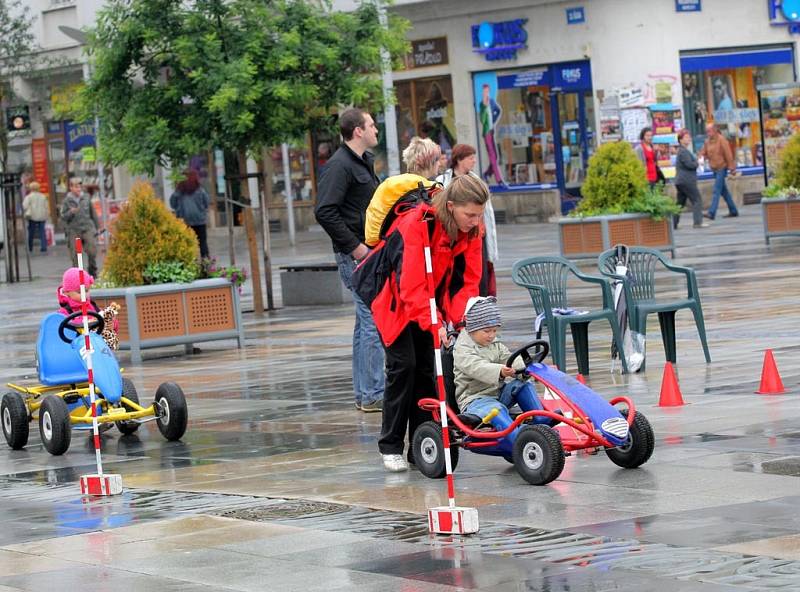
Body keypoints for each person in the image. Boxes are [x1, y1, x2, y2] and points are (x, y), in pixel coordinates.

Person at [363, 173, 489, 472]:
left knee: (426, 370)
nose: (475, 221)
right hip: (393, 300)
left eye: (479, 215)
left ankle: (421, 445)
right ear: (452, 205)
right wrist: (435, 324)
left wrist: (459, 321)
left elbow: (468, 280)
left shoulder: (472, 230)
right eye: (469, 214)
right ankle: (390, 445)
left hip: (429, 302)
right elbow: (410, 286)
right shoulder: (416, 224)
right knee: (402, 366)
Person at [314, 108, 384, 413]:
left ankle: (364, 392)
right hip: (355, 255)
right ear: (357, 131)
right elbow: (324, 211)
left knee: (364, 322)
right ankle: (373, 393)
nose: (376, 130)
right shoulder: (339, 166)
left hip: (367, 251)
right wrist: (356, 248)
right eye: (371, 125)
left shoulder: (363, 162)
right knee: (372, 321)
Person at [454, 297, 550, 454]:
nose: (491, 335)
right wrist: (499, 370)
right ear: (472, 328)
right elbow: (476, 367)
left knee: (523, 386)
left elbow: (507, 357)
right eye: (487, 331)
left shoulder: (494, 343)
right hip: (475, 400)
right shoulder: (462, 349)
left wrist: (523, 368)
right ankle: (520, 442)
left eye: (494, 330)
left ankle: (542, 424)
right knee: (496, 409)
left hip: (497, 394)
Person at [436, 144, 498, 296]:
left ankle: (479, 310)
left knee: (479, 279)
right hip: (451, 237)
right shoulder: (443, 180)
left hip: (476, 235)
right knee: (454, 279)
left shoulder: (477, 181)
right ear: (459, 159)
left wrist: (490, 245)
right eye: (470, 158)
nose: (474, 161)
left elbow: (487, 215)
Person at [57, 267, 120, 350]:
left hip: (96, 347)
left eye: (86, 291)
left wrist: (112, 323)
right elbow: (62, 331)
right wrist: (83, 323)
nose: (84, 294)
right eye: (79, 292)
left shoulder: (92, 306)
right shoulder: (64, 311)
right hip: (76, 349)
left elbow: (103, 318)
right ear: (67, 292)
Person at [60, 177, 100, 277]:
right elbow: (63, 216)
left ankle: (92, 270)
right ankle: (78, 275)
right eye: (76, 187)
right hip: (74, 230)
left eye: (80, 187)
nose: (79, 189)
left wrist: (97, 227)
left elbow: (93, 213)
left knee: (92, 250)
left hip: (87, 228)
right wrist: (70, 212)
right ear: (71, 188)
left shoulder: (86, 198)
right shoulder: (66, 201)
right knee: (76, 255)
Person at [700, 123, 738, 220]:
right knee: (723, 191)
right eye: (707, 131)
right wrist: (699, 158)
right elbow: (703, 153)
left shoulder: (722, 140)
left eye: (709, 131)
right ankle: (733, 210)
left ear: (715, 130)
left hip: (722, 167)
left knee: (716, 190)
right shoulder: (707, 142)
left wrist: (732, 168)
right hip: (714, 168)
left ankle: (711, 212)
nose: (708, 133)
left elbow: (728, 154)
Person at [170, 170, 210, 259]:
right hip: (200, 221)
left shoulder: (178, 192)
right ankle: (206, 264)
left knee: (187, 244)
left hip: (184, 222)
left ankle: (191, 264)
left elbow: (172, 205)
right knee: (202, 243)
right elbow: (207, 203)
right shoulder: (200, 190)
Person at [674, 129, 708, 229]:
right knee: (697, 200)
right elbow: (690, 165)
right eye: (686, 137)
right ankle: (698, 222)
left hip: (681, 181)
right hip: (686, 180)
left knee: (680, 203)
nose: (688, 139)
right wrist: (698, 163)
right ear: (680, 140)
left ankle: (673, 223)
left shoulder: (683, 150)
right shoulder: (683, 151)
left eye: (689, 137)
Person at [479, 84, 506, 186]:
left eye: (487, 91)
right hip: (486, 133)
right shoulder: (482, 105)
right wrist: (484, 111)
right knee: (493, 156)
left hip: (491, 131)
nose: (485, 93)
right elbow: (482, 120)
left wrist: (494, 121)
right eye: (484, 91)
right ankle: (499, 180)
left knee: (495, 157)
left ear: (489, 91)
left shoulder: (492, 102)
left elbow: (498, 111)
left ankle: (486, 174)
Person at [23, 181, 49, 253]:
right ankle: (43, 247)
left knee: (31, 232)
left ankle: (30, 247)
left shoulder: (28, 197)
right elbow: (46, 206)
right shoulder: (43, 196)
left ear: (31, 188)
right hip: (42, 216)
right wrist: (47, 215)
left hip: (32, 217)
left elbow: (24, 206)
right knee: (42, 232)